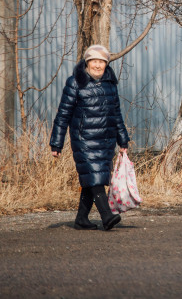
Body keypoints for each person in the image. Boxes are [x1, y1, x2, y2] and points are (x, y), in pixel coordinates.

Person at [50, 44, 129, 231]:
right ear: (87, 63)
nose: (97, 65)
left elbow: (116, 114)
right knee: (95, 177)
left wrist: (123, 140)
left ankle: (81, 219)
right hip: (84, 139)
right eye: (94, 61)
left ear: (106, 64)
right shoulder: (75, 82)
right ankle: (106, 216)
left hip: (106, 140)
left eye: (102, 62)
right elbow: (63, 114)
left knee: (92, 178)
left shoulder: (110, 84)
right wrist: (56, 143)